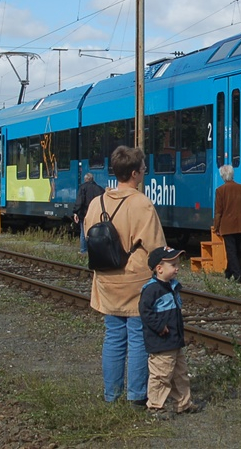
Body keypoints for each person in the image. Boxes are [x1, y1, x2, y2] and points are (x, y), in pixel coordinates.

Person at [83, 146, 166, 405]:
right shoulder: (142, 203)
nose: (144, 172)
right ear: (134, 173)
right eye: (142, 168)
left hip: (106, 279)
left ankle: (111, 395)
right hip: (135, 282)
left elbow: (88, 235)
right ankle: (136, 395)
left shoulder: (97, 202)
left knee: (114, 336)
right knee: (138, 336)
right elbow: (156, 247)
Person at [138, 246, 204, 417]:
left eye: (177, 264)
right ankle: (155, 406)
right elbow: (145, 312)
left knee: (180, 374)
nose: (177, 268)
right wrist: (159, 326)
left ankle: (183, 403)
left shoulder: (172, 287)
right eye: (173, 265)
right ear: (159, 269)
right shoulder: (152, 289)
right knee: (161, 374)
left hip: (174, 340)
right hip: (161, 341)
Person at [213, 164, 241, 283]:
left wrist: (216, 227)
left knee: (231, 251)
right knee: (236, 250)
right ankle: (228, 272)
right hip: (240, 225)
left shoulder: (220, 191)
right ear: (232, 174)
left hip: (226, 227)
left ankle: (238, 275)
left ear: (222, 176)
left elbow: (218, 212)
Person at [73, 172, 104, 254]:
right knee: (96, 233)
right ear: (92, 179)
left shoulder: (83, 188)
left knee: (83, 233)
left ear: (85, 179)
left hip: (85, 214)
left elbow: (79, 201)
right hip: (96, 214)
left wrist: (76, 212)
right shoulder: (100, 189)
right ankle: (95, 251)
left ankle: (83, 251)